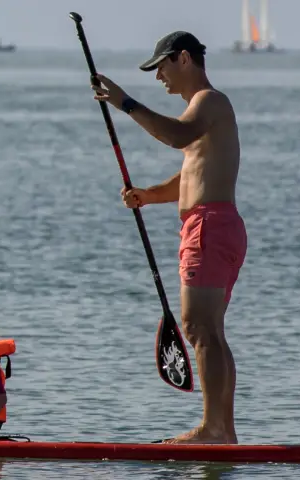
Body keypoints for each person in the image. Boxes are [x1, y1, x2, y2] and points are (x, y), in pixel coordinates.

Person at [90, 31, 247, 445]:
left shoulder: (208, 102)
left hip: (210, 227)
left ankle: (213, 430)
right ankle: (224, 431)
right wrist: (149, 195)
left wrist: (125, 103)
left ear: (184, 59)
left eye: (161, 66)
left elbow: (177, 136)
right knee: (210, 331)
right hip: (213, 225)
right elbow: (191, 174)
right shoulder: (205, 110)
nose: (158, 76)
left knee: (199, 328)